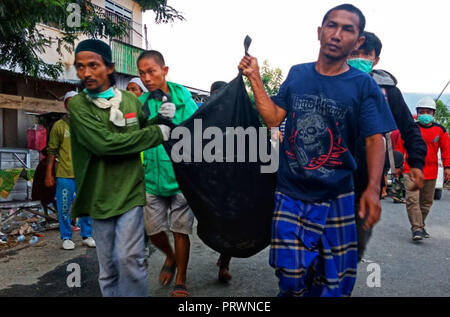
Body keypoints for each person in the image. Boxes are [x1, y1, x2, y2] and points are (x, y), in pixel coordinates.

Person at [239, 4, 397, 297]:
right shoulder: (298, 74)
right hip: (291, 193)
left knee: (334, 282)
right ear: (319, 32)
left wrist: (373, 189)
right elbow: (274, 118)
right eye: (331, 26)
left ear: (358, 41)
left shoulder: (363, 85)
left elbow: (376, 139)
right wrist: (255, 78)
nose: (336, 34)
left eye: (347, 29)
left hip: (338, 194)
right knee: (290, 275)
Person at [68, 39, 173, 297]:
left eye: (93, 65)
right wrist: (158, 133)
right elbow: (104, 144)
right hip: (99, 196)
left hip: (130, 192)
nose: (86, 73)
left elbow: (145, 127)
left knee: (130, 259)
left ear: (110, 68)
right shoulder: (79, 106)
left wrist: (162, 119)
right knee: (109, 267)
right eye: (80, 67)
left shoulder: (129, 100)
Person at [347, 31, 426, 260]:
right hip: (328, 178)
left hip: (367, 183)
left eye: (365, 54)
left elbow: (410, 130)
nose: (358, 57)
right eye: (353, 52)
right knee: (321, 242)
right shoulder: (329, 83)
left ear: (376, 59)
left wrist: (416, 163)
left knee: (355, 245)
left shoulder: (387, 92)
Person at [137, 50, 198, 297]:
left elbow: (199, 133)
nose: (147, 77)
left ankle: (181, 279)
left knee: (180, 229)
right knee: (152, 230)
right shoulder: (141, 103)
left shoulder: (185, 100)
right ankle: (170, 256)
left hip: (182, 176)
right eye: (142, 73)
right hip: (152, 177)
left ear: (165, 70)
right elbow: (136, 136)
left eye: (151, 71)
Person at [45, 91, 95, 250]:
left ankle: (87, 235)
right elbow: (52, 151)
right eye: (69, 102)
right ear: (66, 105)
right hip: (65, 173)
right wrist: (49, 174)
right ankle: (66, 237)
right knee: (64, 206)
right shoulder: (59, 126)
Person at [396, 96, 450, 241]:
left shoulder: (441, 131)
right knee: (412, 200)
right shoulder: (410, 129)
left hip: (431, 172)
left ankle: (420, 224)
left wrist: (447, 167)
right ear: (417, 113)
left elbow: (446, 150)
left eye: (428, 111)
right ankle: (417, 228)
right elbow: (399, 148)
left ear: (433, 113)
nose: (425, 114)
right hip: (411, 169)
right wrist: (396, 165)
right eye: (422, 111)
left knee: (426, 203)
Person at [208, 80, 233, 283]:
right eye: (213, 94)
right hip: (209, 180)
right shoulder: (203, 117)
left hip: (232, 180)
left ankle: (224, 263)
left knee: (230, 223)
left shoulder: (236, 115)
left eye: (220, 94)